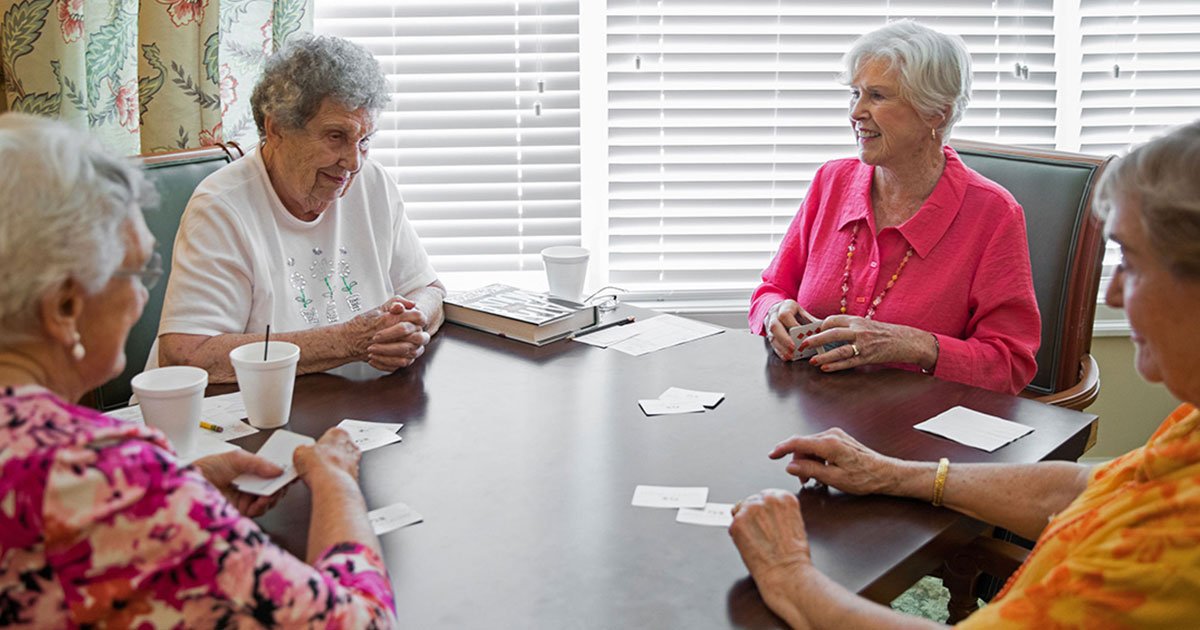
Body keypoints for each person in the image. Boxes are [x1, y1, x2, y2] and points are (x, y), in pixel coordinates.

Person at [729, 121, 1200, 627]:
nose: (1114, 295)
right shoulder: (1189, 426)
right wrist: (891, 473)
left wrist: (790, 576)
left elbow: (1011, 361)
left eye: (1131, 262)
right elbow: (1092, 487)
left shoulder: (1172, 547)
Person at [0, 113, 396, 626]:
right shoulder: (113, 482)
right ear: (64, 307)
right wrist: (337, 482)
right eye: (137, 270)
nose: (143, 298)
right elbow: (358, 622)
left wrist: (183, 487)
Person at [749, 21, 1039, 395]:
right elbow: (771, 289)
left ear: (936, 113)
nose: (856, 112)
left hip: (920, 422)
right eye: (855, 93)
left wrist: (915, 346)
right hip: (813, 409)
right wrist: (774, 312)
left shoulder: (994, 215)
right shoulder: (830, 181)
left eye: (877, 96)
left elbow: (1010, 364)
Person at [156, 34, 445, 383]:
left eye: (364, 140)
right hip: (246, 409)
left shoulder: (373, 184)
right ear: (276, 128)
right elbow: (187, 355)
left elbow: (429, 290)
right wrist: (346, 342)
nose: (353, 162)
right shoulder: (220, 208)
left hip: (354, 402)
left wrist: (409, 323)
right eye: (336, 136)